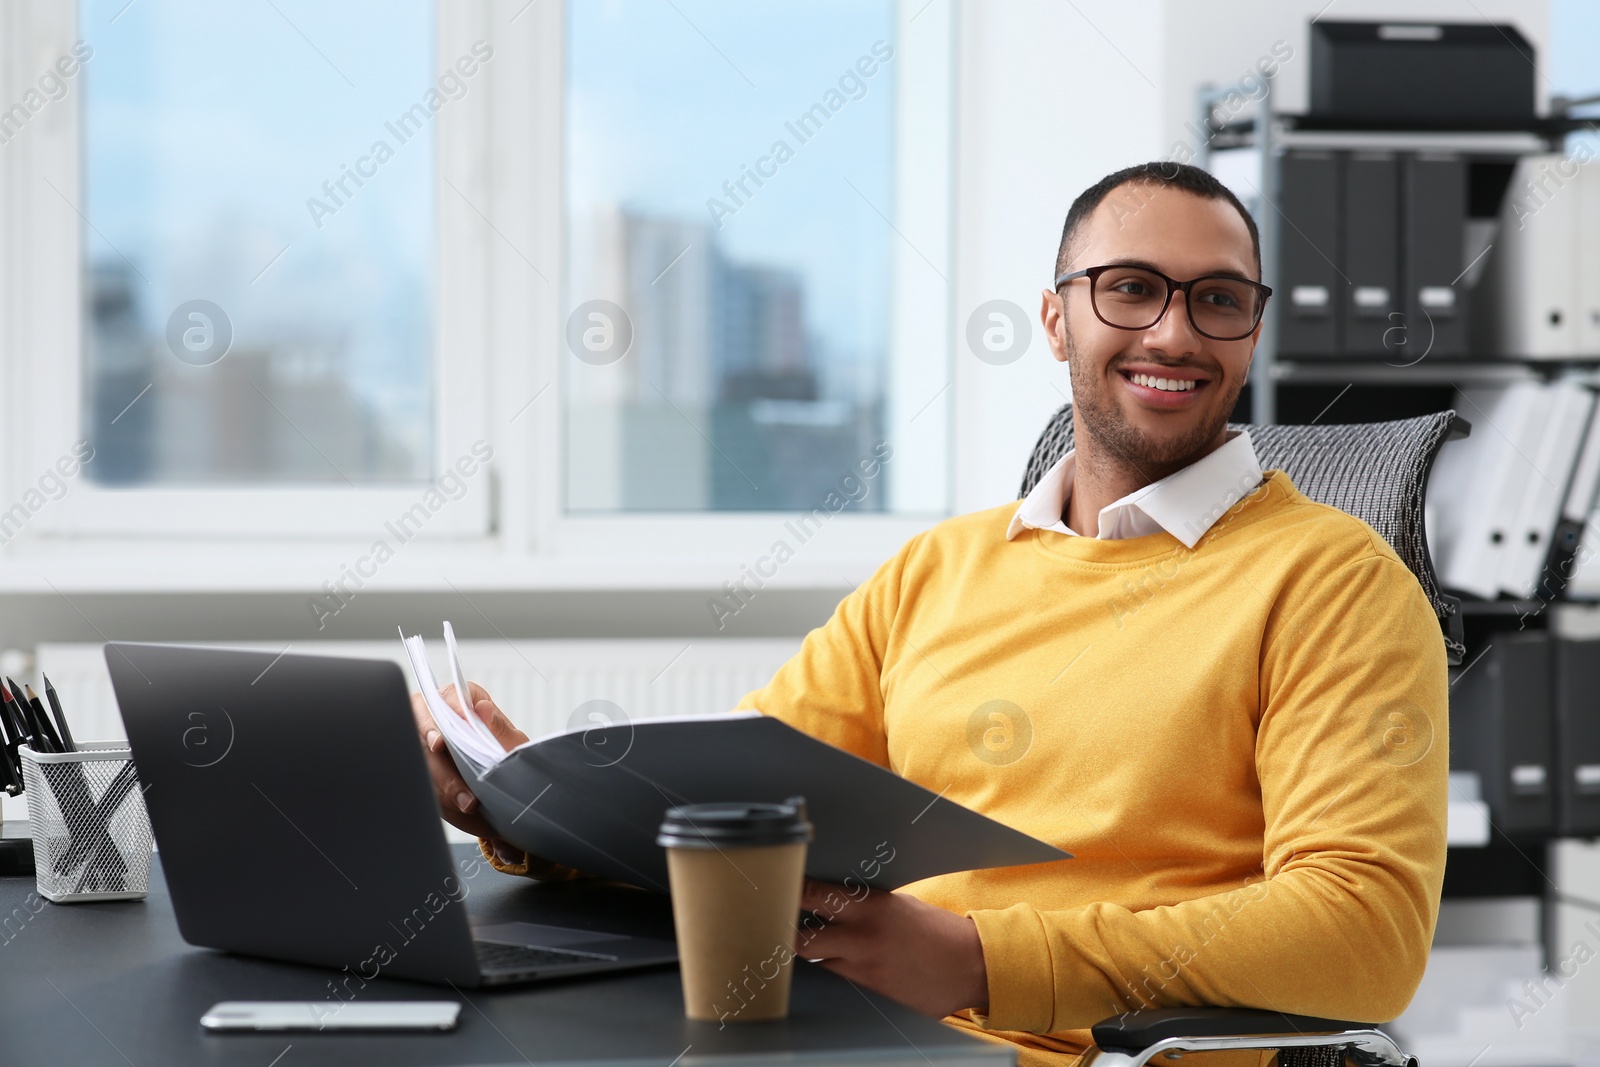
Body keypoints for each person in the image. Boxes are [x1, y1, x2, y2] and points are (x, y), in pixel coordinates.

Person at [413, 161, 1448, 1067]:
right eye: (1129, 289)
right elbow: (739, 818)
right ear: (1056, 319)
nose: (1173, 331)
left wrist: (977, 957)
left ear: (1253, 333)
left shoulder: (1331, 582)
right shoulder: (939, 566)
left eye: (1217, 300)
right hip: (852, 1028)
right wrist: (525, 805)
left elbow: (1364, 929)